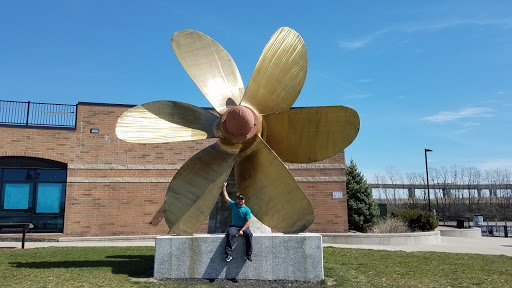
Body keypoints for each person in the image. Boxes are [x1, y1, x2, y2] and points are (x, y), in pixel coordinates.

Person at [222, 182, 253, 262]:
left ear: (244, 200)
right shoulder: (234, 205)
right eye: (239, 199)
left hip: (244, 227)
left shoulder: (247, 210)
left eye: (241, 199)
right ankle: (228, 254)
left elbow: (248, 222)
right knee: (229, 234)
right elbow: (226, 197)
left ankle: (248, 255)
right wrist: (224, 187)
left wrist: (242, 230)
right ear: (237, 200)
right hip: (234, 226)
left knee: (249, 235)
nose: (240, 200)